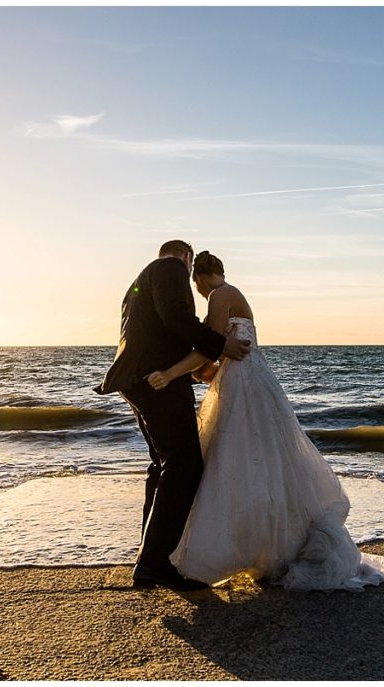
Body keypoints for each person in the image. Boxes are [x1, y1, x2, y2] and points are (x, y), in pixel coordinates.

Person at [146, 250, 384, 591]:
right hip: (238, 380)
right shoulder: (229, 295)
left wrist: (172, 372)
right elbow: (213, 360)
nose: (199, 292)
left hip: (243, 384)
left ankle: (250, 549)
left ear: (200, 278)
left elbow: (209, 347)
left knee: (240, 461)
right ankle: (257, 548)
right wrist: (194, 373)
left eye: (197, 285)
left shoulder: (222, 294)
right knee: (252, 463)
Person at [95, 240, 252, 591]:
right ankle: (156, 563)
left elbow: (167, 327)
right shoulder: (169, 269)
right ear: (187, 256)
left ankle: (149, 557)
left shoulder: (142, 280)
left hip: (138, 380)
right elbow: (177, 319)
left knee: (164, 465)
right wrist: (219, 346)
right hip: (155, 383)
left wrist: (195, 368)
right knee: (185, 465)